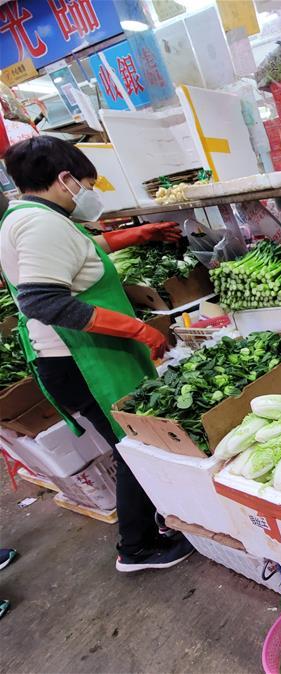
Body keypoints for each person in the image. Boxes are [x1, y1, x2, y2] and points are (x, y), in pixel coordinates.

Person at [0, 136, 193, 571]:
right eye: (87, 184)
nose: (91, 193)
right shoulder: (41, 224)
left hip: (81, 357)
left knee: (130, 440)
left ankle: (155, 521)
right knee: (131, 446)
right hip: (82, 360)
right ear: (65, 180)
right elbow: (44, 301)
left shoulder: (30, 216)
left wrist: (140, 233)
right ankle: (137, 547)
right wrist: (139, 329)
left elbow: (83, 255)